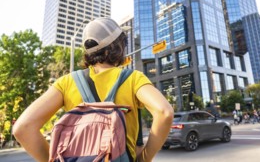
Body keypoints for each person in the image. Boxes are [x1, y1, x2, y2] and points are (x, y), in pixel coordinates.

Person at [13, 17, 174, 162]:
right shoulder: (133, 78)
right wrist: (145, 158)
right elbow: (164, 112)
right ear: (118, 46)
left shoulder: (66, 82)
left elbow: (23, 128)